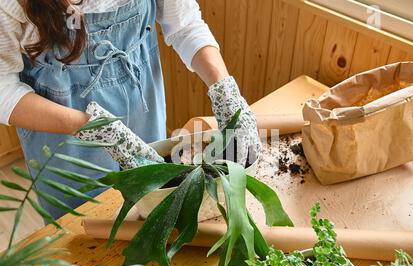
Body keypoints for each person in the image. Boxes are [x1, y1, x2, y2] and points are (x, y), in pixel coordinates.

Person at [0, 0, 260, 219]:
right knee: (84, 226)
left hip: (142, 105)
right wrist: (92, 126)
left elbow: (185, 26)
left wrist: (224, 90)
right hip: (64, 131)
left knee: (154, 206)